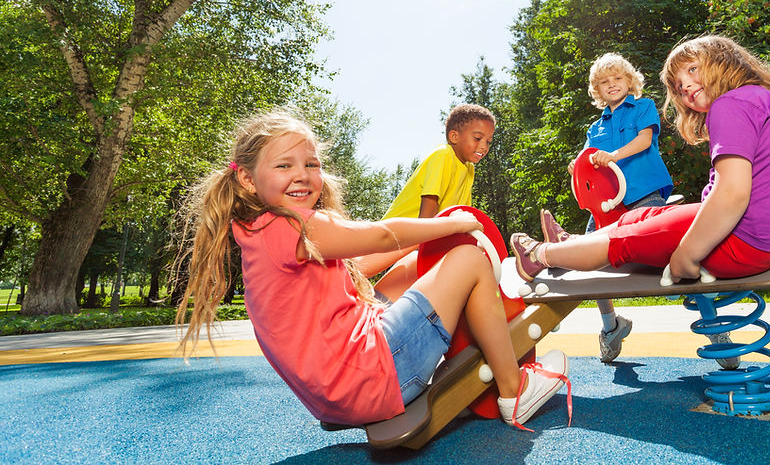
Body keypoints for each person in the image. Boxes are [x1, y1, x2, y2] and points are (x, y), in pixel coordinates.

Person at [174, 109, 568, 431]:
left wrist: (425, 244)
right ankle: (514, 391)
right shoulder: (295, 225)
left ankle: (462, 350)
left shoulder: (258, 230)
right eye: (284, 165)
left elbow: (358, 266)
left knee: (416, 262)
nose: (302, 174)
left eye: (311, 163)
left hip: (337, 396)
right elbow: (382, 236)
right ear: (246, 179)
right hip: (375, 380)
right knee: (468, 258)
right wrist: (454, 225)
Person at [513, 36, 770, 358]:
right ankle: (569, 242)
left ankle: (540, 254)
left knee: (627, 239)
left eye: (692, 70)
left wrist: (688, 253)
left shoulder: (729, 105)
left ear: (725, 61)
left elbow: (732, 194)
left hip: (741, 239)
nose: (685, 86)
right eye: (679, 85)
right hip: (765, 241)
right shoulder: (769, 104)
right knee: (637, 219)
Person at [543, 53, 673, 363]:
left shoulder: (643, 107)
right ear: (597, 91)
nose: (611, 85)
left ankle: (714, 326)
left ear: (630, 82)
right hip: (606, 205)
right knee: (586, 262)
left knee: (670, 256)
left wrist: (613, 155)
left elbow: (644, 141)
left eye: (617, 79)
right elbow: (586, 162)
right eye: (604, 82)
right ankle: (610, 326)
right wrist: (578, 164)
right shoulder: (595, 128)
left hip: (644, 195)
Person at [356, 103, 496, 299]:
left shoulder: (468, 169)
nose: (484, 146)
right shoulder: (443, 155)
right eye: (478, 138)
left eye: (489, 141)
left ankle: (380, 304)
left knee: (426, 266)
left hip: (421, 236)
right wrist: (427, 237)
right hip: (398, 233)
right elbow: (429, 203)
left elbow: (461, 212)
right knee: (355, 272)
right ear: (454, 136)